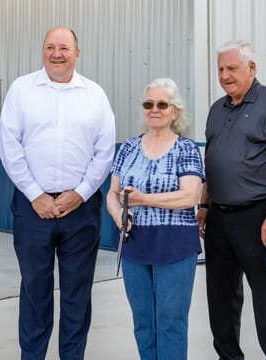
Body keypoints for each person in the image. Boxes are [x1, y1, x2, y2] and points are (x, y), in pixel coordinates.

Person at [0, 27, 116, 360]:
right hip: (32, 207)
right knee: (35, 289)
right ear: (43, 51)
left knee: (77, 292)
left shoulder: (94, 95)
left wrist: (80, 192)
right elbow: (9, 147)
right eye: (50, 47)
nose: (56, 53)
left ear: (77, 53)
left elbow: (104, 152)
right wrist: (35, 194)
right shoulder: (22, 90)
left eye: (64, 47)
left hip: (81, 209)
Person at [198, 40, 266, 360]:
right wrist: (204, 205)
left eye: (232, 68)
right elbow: (212, 161)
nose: (226, 76)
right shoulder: (217, 109)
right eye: (221, 70)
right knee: (220, 297)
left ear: (252, 68)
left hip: (258, 216)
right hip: (218, 217)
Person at [106, 78, 203, 360]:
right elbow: (112, 193)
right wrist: (117, 214)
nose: (155, 109)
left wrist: (142, 199)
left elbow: (190, 196)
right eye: (149, 104)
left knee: (171, 323)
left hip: (174, 245)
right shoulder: (127, 148)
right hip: (135, 244)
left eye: (162, 104)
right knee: (144, 323)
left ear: (175, 111)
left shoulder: (185, 149)